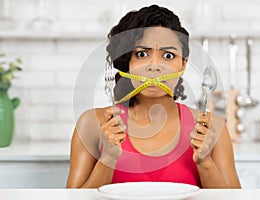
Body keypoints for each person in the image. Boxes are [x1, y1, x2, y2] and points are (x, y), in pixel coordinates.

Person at [66, 5, 241, 189]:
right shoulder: (92, 124)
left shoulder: (213, 128)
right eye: (142, 54)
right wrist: (108, 158)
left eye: (168, 55)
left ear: (183, 64)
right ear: (128, 62)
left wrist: (205, 162)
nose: (154, 66)